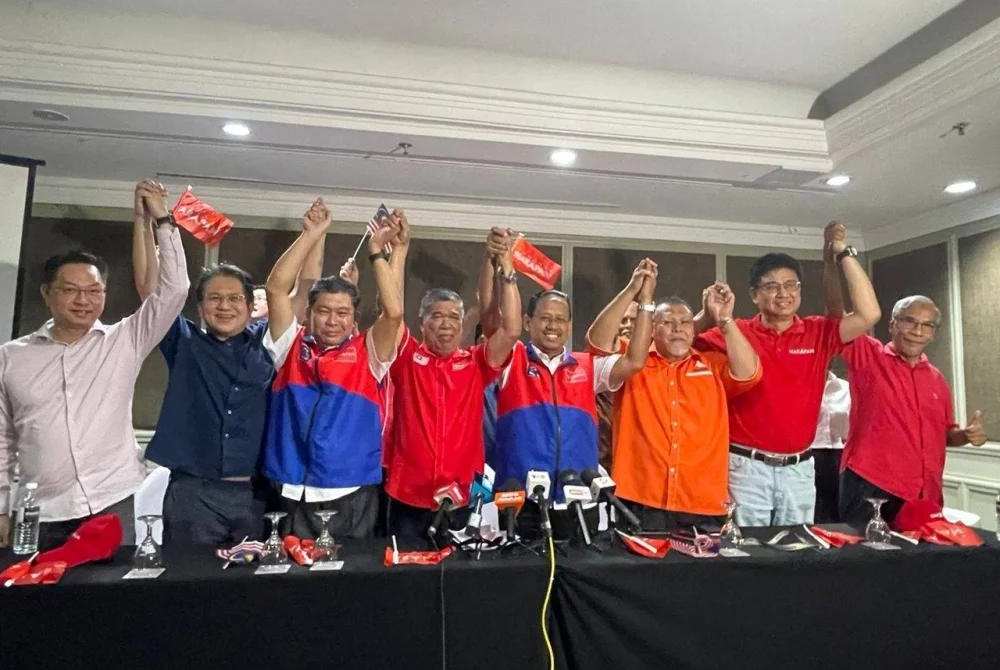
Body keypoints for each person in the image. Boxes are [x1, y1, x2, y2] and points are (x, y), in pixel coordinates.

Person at [0, 180, 189, 549]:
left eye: (94, 291)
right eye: (70, 290)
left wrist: (162, 221)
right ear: (47, 293)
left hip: (113, 502)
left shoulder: (124, 341)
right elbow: (2, 440)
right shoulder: (11, 358)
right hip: (40, 512)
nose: (83, 300)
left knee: (114, 603)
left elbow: (175, 289)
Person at [695, 222, 881, 526]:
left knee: (796, 555)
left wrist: (841, 252)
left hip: (800, 469)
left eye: (791, 285)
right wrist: (708, 314)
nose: (783, 294)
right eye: (771, 286)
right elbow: (674, 340)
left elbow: (869, 313)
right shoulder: (736, 331)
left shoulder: (817, 332)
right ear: (754, 295)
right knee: (747, 555)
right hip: (745, 466)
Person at [260, 198, 406, 539]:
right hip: (289, 487)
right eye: (324, 311)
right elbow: (276, 289)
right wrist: (311, 235)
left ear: (354, 319)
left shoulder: (369, 353)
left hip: (350, 489)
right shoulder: (290, 349)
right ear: (309, 314)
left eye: (342, 313)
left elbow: (394, 313)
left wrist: (377, 253)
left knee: (348, 587)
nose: (332, 320)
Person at [487, 260, 656, 539]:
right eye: (545, 318)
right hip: (519, 503)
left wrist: (641, 297)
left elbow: (635, 361)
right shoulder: (510, 360)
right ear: (528, 322)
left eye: (560, 319)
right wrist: (504, 272)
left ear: (569, 325)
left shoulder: (586, 366)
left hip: (578, 500)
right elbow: (503, 326)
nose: (553, 325)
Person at [383, 228, 521, 539]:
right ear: (421, 323)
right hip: (409, 493)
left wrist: (507, 267)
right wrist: (400, 253)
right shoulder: (405, 357)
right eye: (436, 316)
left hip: (463, 493)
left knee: (464, 580)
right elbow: (391, 312)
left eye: (454, 317)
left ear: (462, 324)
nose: (446, 323)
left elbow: (511, 330)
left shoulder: (475, 363)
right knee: (405, 576)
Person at [589, 282, 761, 531]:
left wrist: (724, 320)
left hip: (701, 501)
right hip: (641, 498)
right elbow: (598, 343)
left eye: (685, 323)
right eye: (667, 323)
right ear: (651, 329)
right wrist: (632, 291)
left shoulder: (711, 365)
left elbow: (749, 374)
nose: (678, 329)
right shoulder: (633, 363)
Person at [838, 295, 987, 527]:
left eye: (927, 325)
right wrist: (834, 260)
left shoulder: (936, 380)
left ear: (933, 333)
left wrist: (966, 436)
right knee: (867, 562)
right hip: (870, 486)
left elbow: (944, 434)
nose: (918, 331)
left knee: (920, 563)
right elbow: (837, 315)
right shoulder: (868, 357)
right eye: (909, 321)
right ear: (892, 325)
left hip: (924, 494)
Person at [595, 301, 638, 471]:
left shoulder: (659, 361)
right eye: (623, 320)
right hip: (604, 455)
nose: (627, 325)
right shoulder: (603, 356)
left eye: (633, 320)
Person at [810, 371, 851, 523]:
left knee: (836, 506)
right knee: (814, 507)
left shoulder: (845, 388)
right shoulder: (802, 385)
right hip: (811, 451)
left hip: (840, 454)